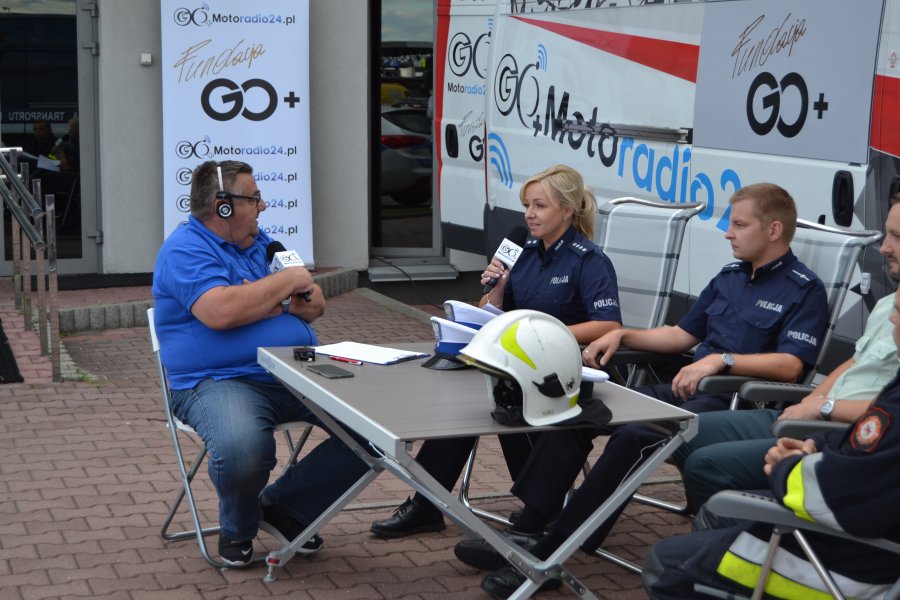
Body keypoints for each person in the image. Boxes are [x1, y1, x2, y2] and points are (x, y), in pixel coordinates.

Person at [456, 182, 829, 598]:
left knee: (637, 433)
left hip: (733, 403)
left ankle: (552, 550)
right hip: (683, 389)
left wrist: (721, 361)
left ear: (774, 230)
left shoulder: (803, 288)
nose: (728, 233)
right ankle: (528, 526)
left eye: (739, 225)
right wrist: (623, 336)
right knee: (582, 406)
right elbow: (680, 336)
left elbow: (792, 366)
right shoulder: (729, 278)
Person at [370, 164, 622, 538]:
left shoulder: (588, 260)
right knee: (465, 405)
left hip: (565, 375)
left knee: (496, 402)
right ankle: (427, 503)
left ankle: (539, 505)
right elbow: (491, 311)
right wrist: (498, 289)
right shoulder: (524, 252)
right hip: (518, 367)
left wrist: (541, 336)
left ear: (567, 211)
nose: (529, 215)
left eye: (540, 206)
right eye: (526, 205)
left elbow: (609, 325)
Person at [152, 160, 370, 566]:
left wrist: (264, 297)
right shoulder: (185, 250)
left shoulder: (261, 241)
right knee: (242, 448)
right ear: (222, 206)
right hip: (216, 381)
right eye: (253, 198)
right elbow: (221, 313)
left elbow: (315, 304)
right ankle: (238, 528)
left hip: (293, 370)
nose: (262, 206)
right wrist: (284, 288)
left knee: (379, 424)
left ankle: (287, 511)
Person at [642, 285, 900, 599]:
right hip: (826, 456)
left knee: (666, 565)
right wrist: (816, 443)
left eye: (899, 313)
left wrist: (789, 467)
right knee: (686, 441)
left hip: (846, 568)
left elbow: (836, 493)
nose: (893, 320)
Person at [673, 195, 900, 511]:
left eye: (897, 237)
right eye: (887, 233)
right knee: (683, 432)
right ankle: (732, 519)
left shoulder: (803, 287)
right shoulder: (890, 304)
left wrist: (825, 409)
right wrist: (812, 402)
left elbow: (891, 414)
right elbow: (856, 360)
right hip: (816, 415)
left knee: (705, 464)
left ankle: (741, 527)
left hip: (848, 434)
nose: (884, 247)